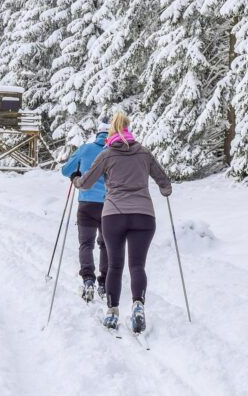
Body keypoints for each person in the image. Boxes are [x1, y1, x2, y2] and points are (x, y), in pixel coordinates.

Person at [72, 112, 171, 334]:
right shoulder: (144, 153)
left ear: (112, 132)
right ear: (128, 128)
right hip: (144, 215)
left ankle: (112, 311)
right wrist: (165, 190)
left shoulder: (107, 155)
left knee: (115, 265)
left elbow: (86, 183)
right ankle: (137, 305)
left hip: (114, 215)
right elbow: (164, 181)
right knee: (137, 266)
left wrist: (75, 179)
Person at [61, 116, 110, 302]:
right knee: (105, 244)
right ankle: (104, 283)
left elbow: (66, 170)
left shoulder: (86, 149)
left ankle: (88, 279)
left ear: (98, 133)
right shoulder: (114, 151)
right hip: (109, 205)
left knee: (86, 244)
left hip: (87, 204)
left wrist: (76, 173)